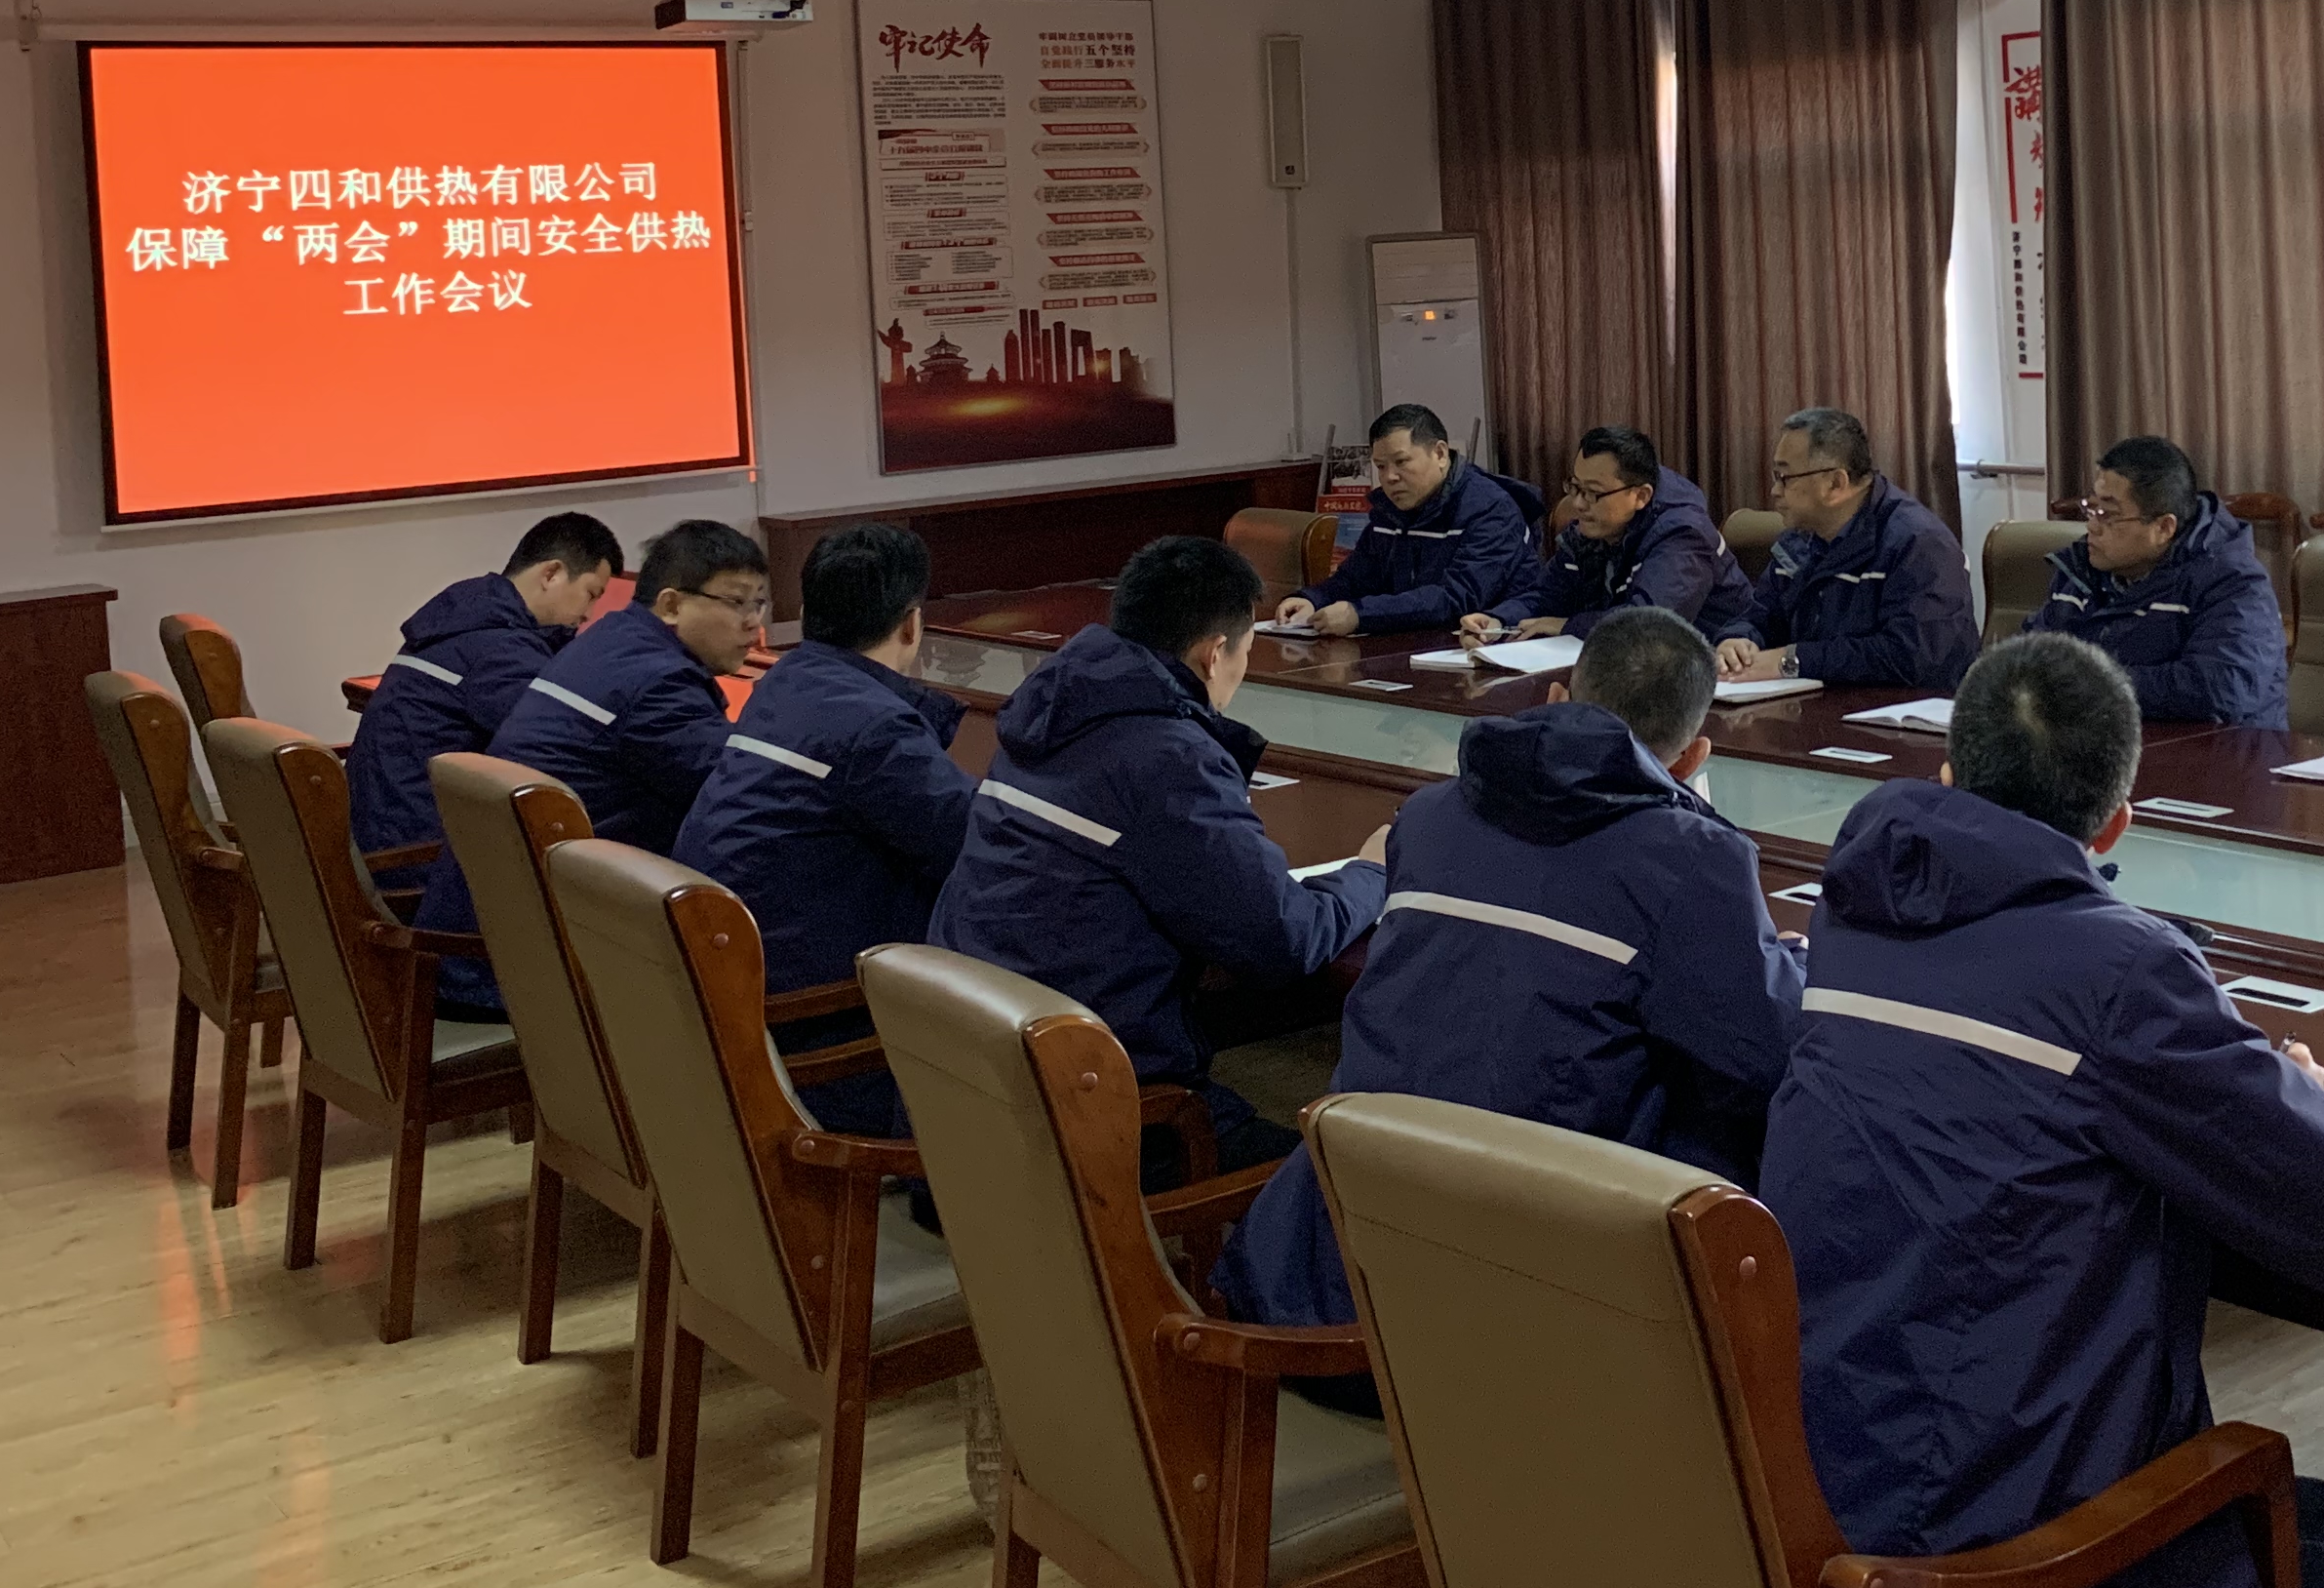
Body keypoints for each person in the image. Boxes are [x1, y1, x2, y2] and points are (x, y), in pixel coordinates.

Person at [1758, 632, 2324, 1588]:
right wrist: (2308, 1100)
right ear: (2115, 825)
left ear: (1949, 780)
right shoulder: (2124, 969)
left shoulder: (1852, 908)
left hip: (1809, 1513)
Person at [1220, 605, 1803, 1334]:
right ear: (1692, 760)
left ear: (1556, 698)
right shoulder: (1695, 858)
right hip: (1519, 1302)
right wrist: (1785, 960)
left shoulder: (1428, 815)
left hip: (1330, 1262)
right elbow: (1769, 1052)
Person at [930, 536, 1390, 1173]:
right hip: (1091, 1109)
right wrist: (1370, 872)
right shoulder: (1168, 755)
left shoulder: (1050, 707)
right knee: (1349, 1180)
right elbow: (1285, 940)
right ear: (1214, 653)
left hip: (975, 1085)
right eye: (1245, 654)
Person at [669, 523, 979, 1138]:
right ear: (912, 624)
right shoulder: (874, 729)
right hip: (819, 1037)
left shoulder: (784, 686)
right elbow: (976, 850)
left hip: (733, 1004)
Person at [420, 518, 768, 1012]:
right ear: (671, 605)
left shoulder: (608, 640)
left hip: (488, 935)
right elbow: (737, 797)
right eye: (737, 602)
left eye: (759, 604)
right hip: (524, 969)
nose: (754, 623)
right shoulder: (659, 686)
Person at [340, 510, 620, 861]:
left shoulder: (465, 617)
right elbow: (559, 745)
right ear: (551, 574)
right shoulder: (502, 649)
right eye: (591, 594)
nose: (590, 613)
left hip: (373, 831)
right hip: (414, 856)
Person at [2024, 435, 2286, 728]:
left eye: (2108, 514)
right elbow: (2034, 657)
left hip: (2216, 750)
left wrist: (2089, 684)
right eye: (2092, 507)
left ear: (2163, 527)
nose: (2092, 526)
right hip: (2103, 742)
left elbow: (2222, 688)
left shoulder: (2234, 582)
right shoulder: (2081, 570)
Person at [1715, 406, 1979, 695]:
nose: (1774, 491)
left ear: (1835, 483)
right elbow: (1762, 615)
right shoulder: (1800, 540)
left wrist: (1792, 660)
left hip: (1907, 711)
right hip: (1818, 703)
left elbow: (1909, 656)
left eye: (1785, 477)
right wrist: (1737, 641)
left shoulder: (1920, 543)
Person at [1453, 423, 1753, 647]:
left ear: (1641, 496)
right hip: (1627, 664)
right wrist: (1497, 621)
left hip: (1712, 672)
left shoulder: (1684, 533)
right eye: (1575, 487)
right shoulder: (1592, 526)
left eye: (1593, 493)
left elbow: (1648, 625)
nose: (1578, 504)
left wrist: (1568, 626)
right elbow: (1546, 595)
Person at [1271, 404, 1544, 640]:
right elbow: (1356, 578)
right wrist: (1312, 599)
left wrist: (1361, 615)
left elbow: (1457, 598)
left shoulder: (1491, 508)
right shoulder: (1391, 509)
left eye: (1401, 462)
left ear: (1440, 454)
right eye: (1380, 466)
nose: (1389, 477)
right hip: (1411, 640)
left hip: (1489, 644)